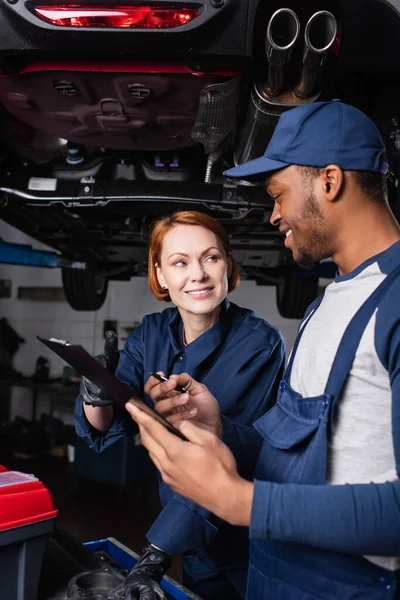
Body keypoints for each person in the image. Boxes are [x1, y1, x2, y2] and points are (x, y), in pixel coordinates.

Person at [126, 100, 400, 599]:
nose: (273, 215)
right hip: (281, 577)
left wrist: (240, 502)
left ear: (330, 182)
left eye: (278, 195)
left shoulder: (395, 301)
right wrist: (219, 427)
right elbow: (295, 457)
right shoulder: (330, 301)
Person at [74, 210, 285, 600]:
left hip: (248, 540)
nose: (199, 274)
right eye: (180, 262)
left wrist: (155, 553)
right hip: (189, 539)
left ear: (228, 264)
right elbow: (103, 424)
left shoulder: (259, 343)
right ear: (160, 273)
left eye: (211, 257)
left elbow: (217, 455)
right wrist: (96, 391)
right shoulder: (151, 333)